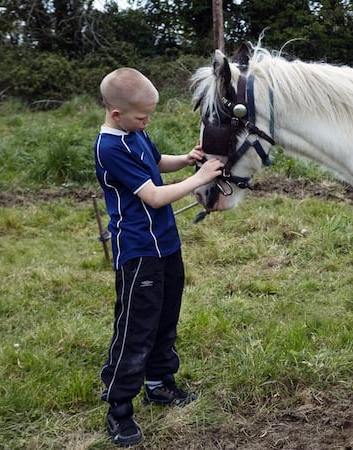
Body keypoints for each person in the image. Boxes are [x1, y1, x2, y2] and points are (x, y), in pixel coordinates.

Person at [94, 67, 224, 447]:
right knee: (137, 330)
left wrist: (184, 160)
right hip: (139, 253)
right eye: (141, 116)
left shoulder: (135, 134)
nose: (147, 122)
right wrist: (199, 179)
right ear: (116, 114)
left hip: (166, 245)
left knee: (166, 318)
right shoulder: (110, 147)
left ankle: (159, 385)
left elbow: (154, 162)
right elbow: (153, 195)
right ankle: (119, 409)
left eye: (149, 116)